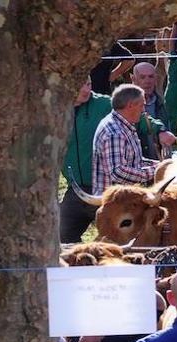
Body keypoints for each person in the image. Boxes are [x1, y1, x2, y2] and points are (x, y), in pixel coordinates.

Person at [60, 79, 111, 243]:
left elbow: (133, 112)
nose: (86, 90)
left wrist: (159, 129)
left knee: (115, 238)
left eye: (89, 84)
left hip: (104, 190)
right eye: (80, 84)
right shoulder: (55, 109)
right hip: (75, 190)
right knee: (62, 237)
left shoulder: (104, 104)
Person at [129, 61, 177, 159]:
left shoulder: (160, 103)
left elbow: (166, 132)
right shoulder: (126, 105)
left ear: (155, 78)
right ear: (133, 79)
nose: (148, 81)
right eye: (142, 77)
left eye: (151, 77)